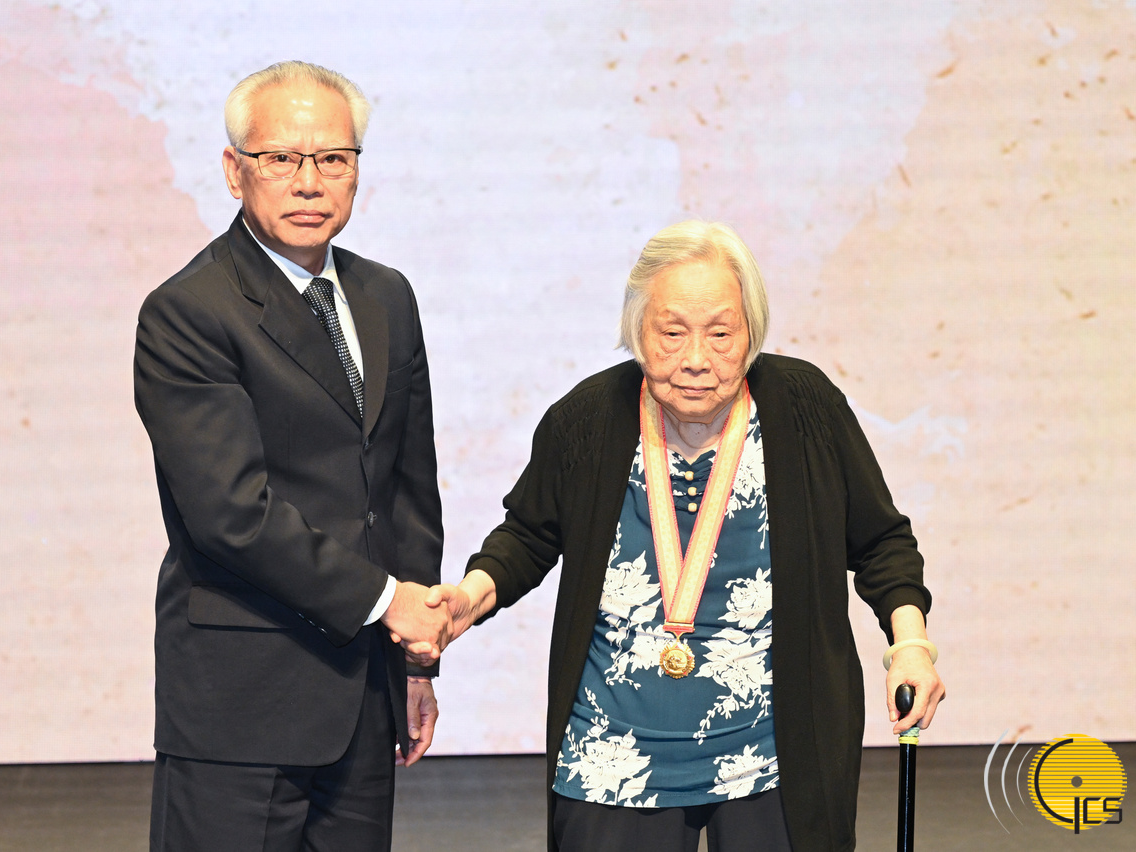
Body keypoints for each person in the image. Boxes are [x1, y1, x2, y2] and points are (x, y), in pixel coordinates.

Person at [418, 221, 945, 852]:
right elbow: (528, 535)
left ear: (752, 333)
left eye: (721, 333)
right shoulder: (587, 419)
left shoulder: (806, 410)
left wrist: (910, 645)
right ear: (637, 331)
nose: (696, 359)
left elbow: (881, 541)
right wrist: (469, 598)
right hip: (611, 751)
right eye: (672, 333)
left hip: (773, 755)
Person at [134, 61, 450, 852]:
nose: (309, 182)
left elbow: (406, 492)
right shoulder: (188, 311)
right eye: (281, 158)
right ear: (234, 170)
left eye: (333, 158)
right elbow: (231, 515)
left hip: (364, 694)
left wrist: (416, 660)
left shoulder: (387, 296)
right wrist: (386, 600)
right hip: (240, 704)